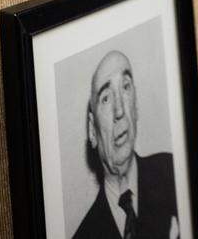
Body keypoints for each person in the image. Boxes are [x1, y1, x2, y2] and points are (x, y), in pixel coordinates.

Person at [73, 51, 178, 239]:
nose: (119, 110)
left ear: (135, 105)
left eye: (126, 87)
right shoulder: (84, 235)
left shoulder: (174, 172)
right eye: (106, 98)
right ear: (92, 130)